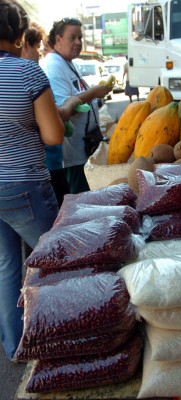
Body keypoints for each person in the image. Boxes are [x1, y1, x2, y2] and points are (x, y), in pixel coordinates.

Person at [0, 0, 65, 360]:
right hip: (24, 186)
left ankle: (16, 347)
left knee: (7, 265)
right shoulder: (27, 73)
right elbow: (54, 135)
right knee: (53, 264)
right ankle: (57, 345)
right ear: (18, 32)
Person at [41, 18, 112, 194]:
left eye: (80, 37)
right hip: (71, 156)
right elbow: (62, 110)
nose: (78, 42)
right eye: (72, 38)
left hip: (83, 151)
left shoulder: (68, 62)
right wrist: (94, 92)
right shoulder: (53, 65)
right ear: (58, 39)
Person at [21, 22, 82, 206]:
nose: (40, 53)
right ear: (23, 45)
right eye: (38, 47)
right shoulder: (31, 73)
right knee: (59, 221)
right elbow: (55, 134)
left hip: (12, 175)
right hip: (41, 167)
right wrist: (71, 103)